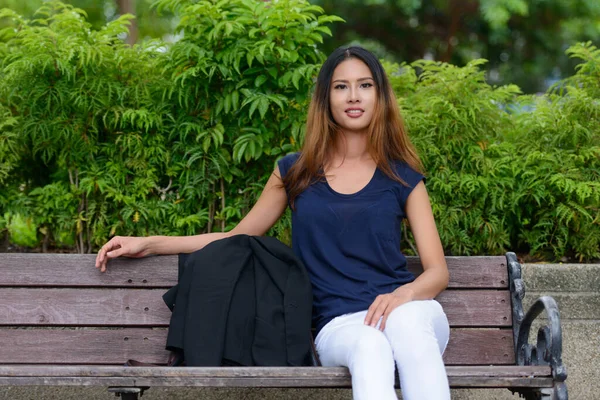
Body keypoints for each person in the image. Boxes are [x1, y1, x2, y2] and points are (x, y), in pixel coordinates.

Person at [95, 46, 451, 400]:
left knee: (406, 326)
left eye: (365, 85)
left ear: (381, 96)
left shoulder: (402, 177)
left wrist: (401, 296)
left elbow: (437, 272)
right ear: (325, 98)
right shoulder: (296, 173)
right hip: (342, 325)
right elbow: (237, 237)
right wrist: (150, 243)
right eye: (341, 86)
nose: (354, 96)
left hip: (411, 311)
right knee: (371, 346)